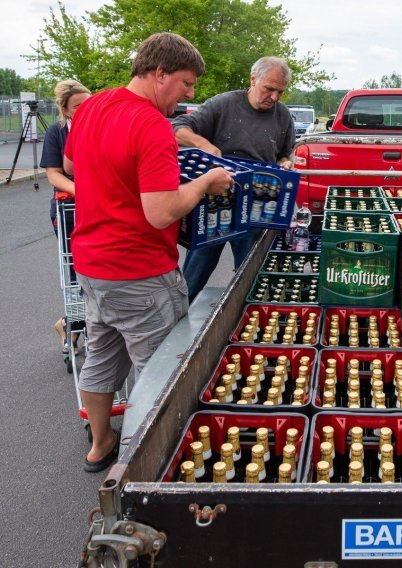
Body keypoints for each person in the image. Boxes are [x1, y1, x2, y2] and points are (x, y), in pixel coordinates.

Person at [64, 33, 234, 472]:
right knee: (161, 372)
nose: (190, 95)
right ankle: (150, 467)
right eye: (185, 82)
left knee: (101, 357)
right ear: (159, 74)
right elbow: (160, 213)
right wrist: (203, 183)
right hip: (139, 271)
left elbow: (70, 167)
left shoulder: (93, 106)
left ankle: (100, 445)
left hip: (92, 264)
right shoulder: (151, 125)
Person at [172, 56, 295, 303]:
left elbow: (284, 152)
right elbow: (177, 127)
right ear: (253, 79)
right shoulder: (224, 104)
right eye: (269, 89)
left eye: (280, 92)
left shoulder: (282, 116)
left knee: (251, 279)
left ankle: (246, 327)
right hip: (214, 204)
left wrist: (284, 163)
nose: (274, 97)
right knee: (193, 278)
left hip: (256, 206)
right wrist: (203, 143)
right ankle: (175, 328)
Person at [40, 79, 91, 355]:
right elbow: (53, 174)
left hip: (98, 206)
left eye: (89, 103)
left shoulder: (99, 127)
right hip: (69, 208)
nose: (85, 109)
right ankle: (72, 326)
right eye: (78, 106)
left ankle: (73, 325)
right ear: (65, 109)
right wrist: (81, 190)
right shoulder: (57, 132)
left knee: (96, 270)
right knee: (75, 272)